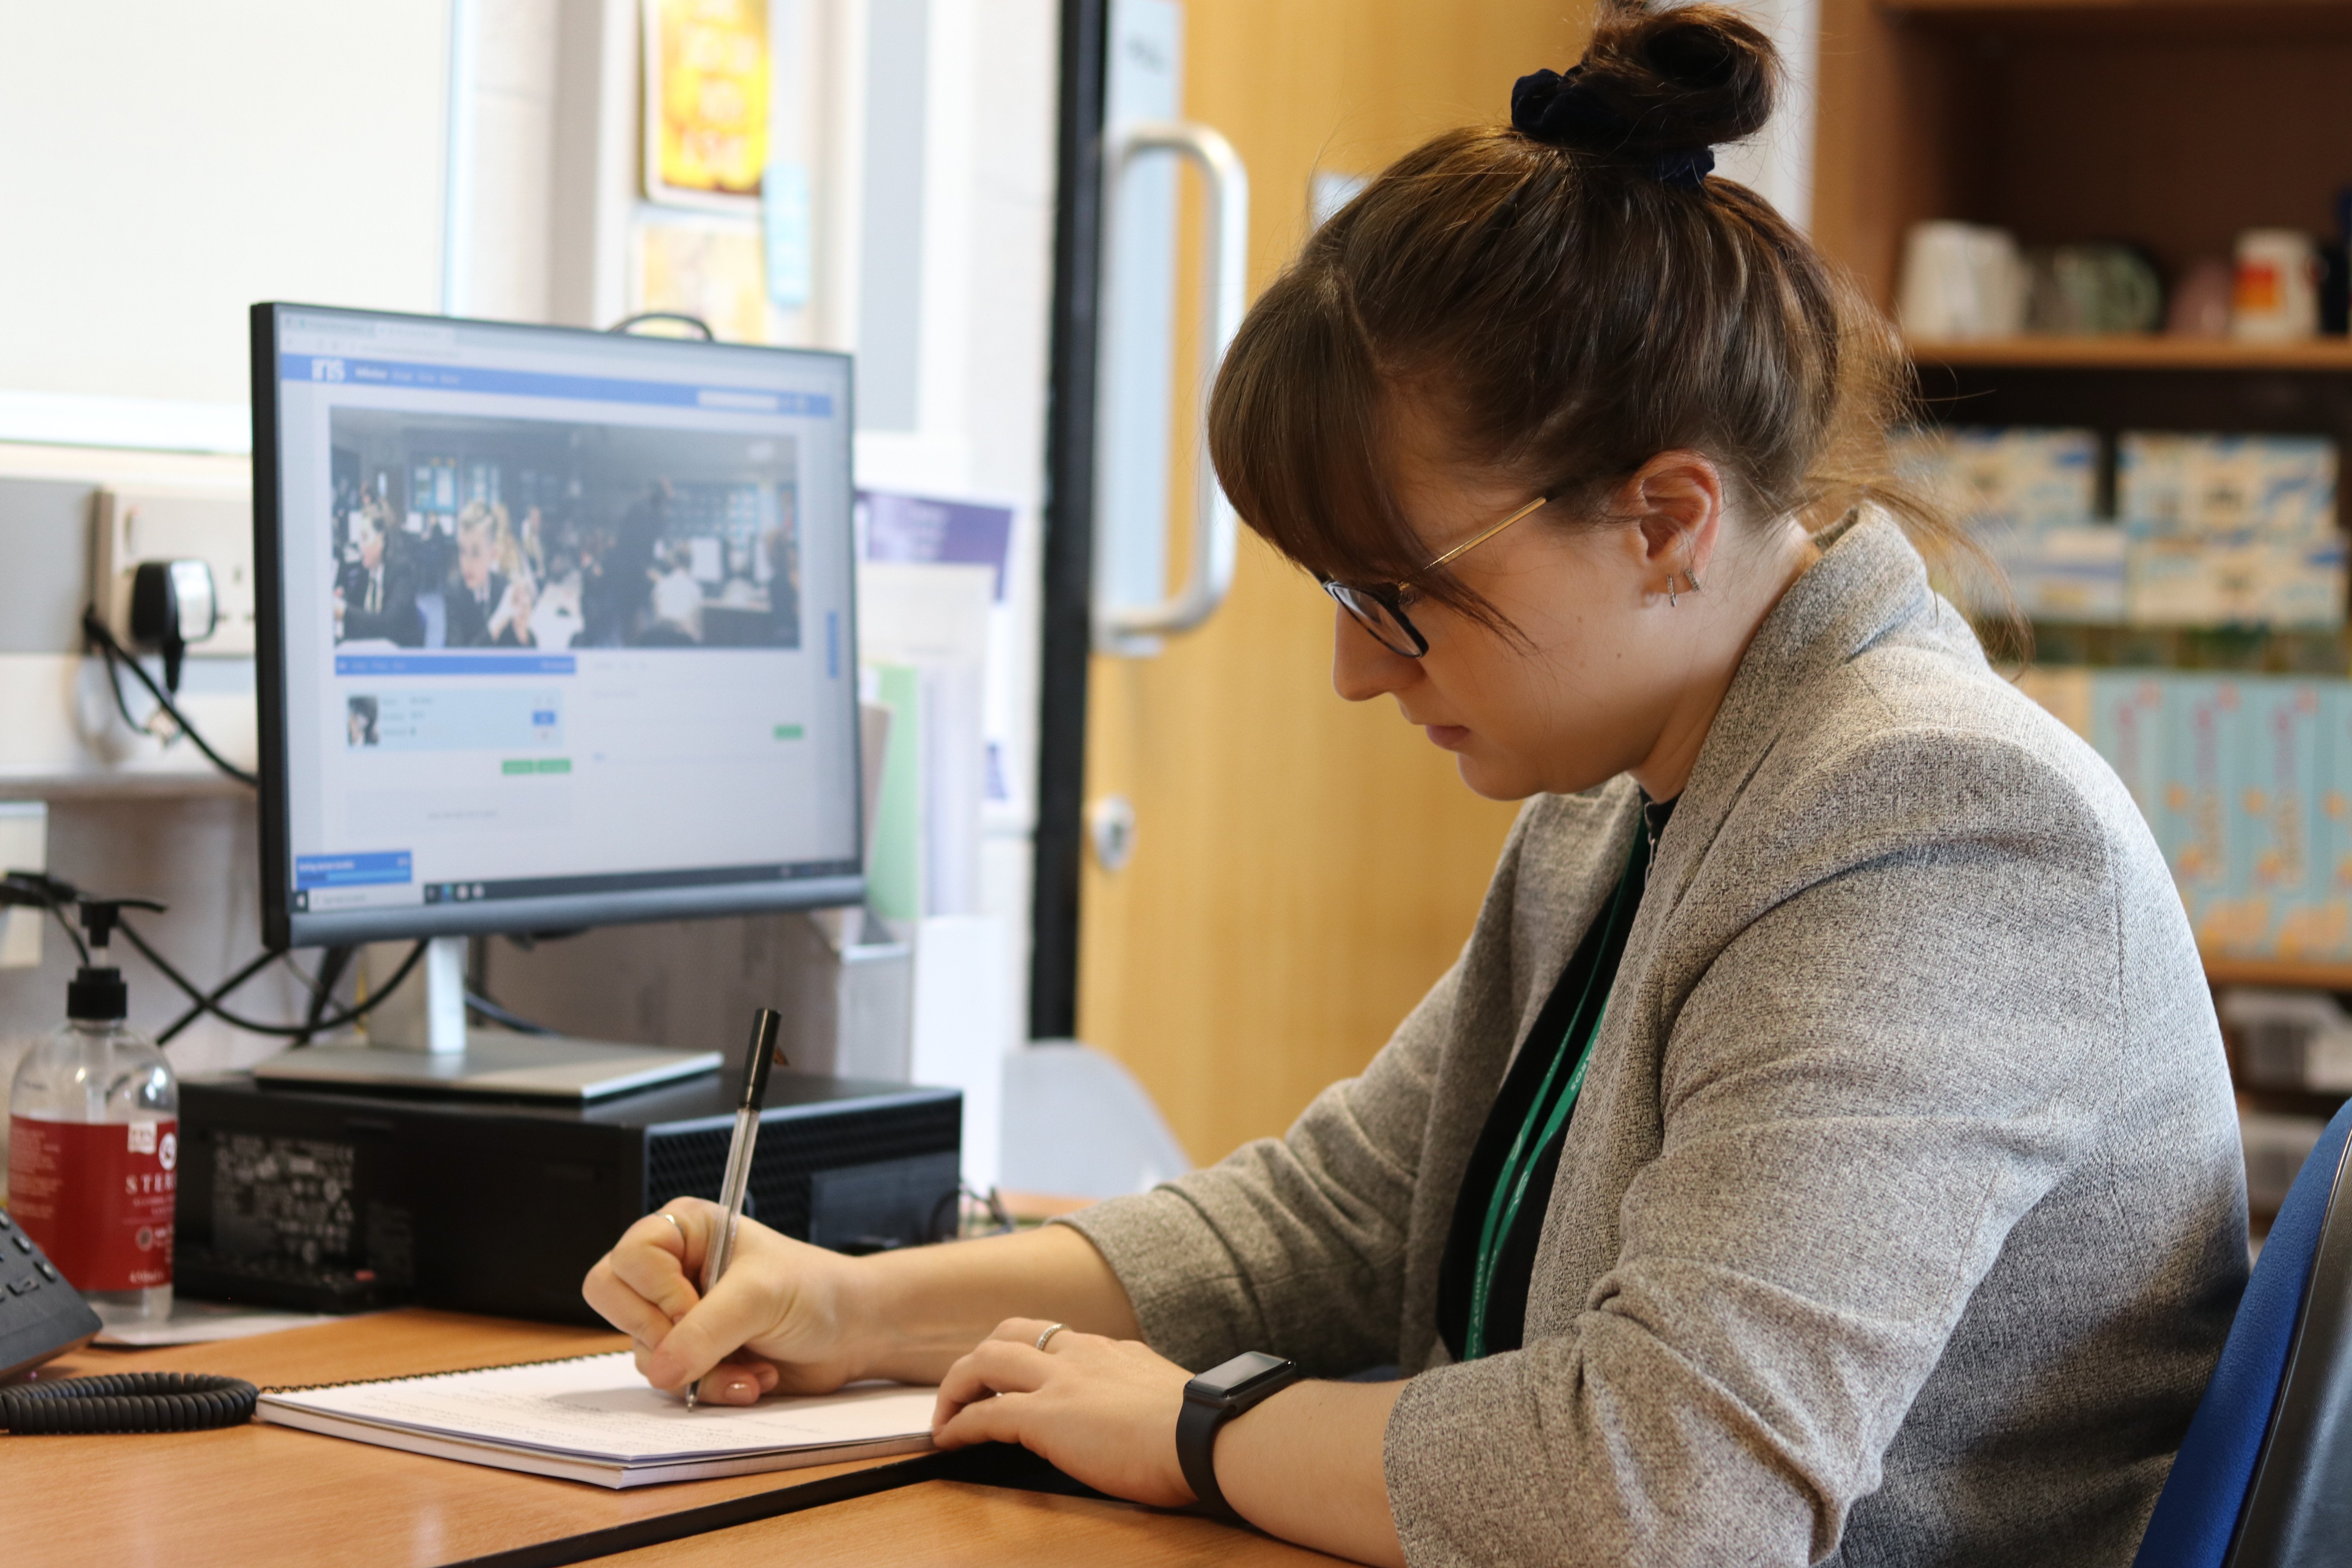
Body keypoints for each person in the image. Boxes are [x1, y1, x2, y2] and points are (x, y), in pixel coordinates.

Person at [582, 7, 2245, 1564]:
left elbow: (1667, 1494)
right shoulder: (1632, 786)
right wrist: (852, 1308)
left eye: (1399, 596)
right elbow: (1355, 1217)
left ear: (1663, 519)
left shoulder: (1931, 822)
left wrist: (1203, 1427)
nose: (1357, 671)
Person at [442, 502, 535, 648]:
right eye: (462, 551)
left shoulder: (503, 588)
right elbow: (457, 662)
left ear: (493, 554)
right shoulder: (454, 590)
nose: (467, 563)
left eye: (476, 553)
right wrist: (498, 622)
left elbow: (527, 658)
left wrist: (522, 634)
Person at [334, 506, 423, 646]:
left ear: (381, 540)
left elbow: (389, 624)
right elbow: (355, 607)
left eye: (365, 537)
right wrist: (343, 599)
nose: (360, 545)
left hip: (399, 657)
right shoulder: (367, 571)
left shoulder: (402, 573)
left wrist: (345, 612)